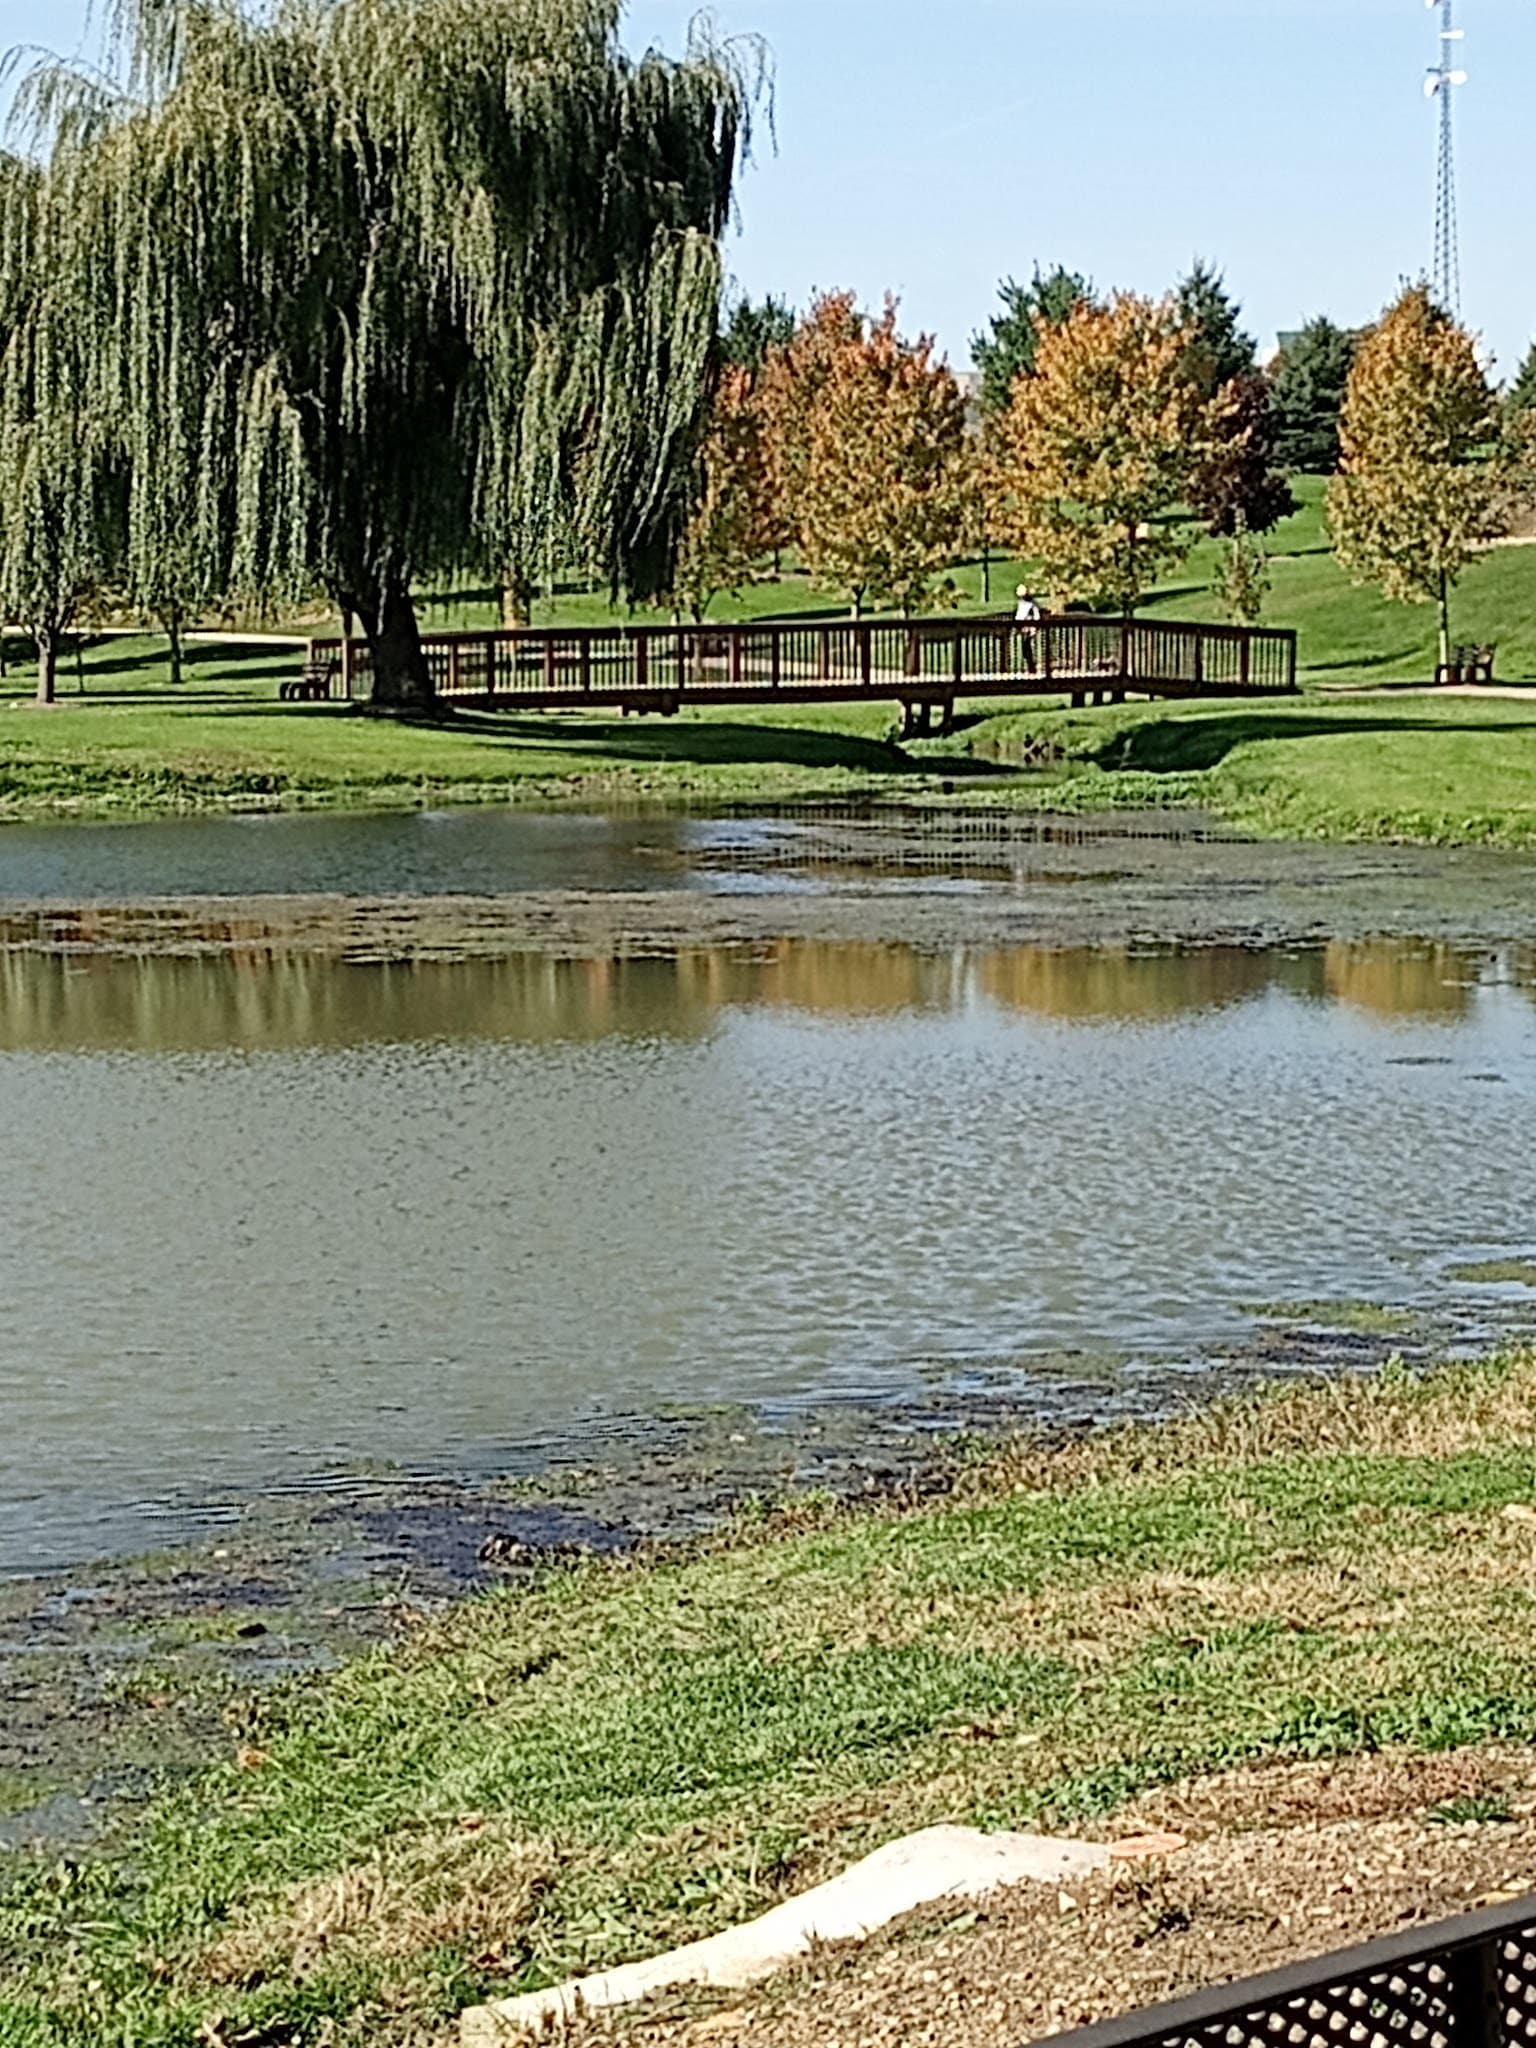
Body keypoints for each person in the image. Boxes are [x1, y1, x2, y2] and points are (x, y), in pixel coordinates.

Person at [1014, 585, 1041, 673]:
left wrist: (1034, 627)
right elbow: (1019, 614)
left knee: (1030, 646)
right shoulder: (1021, 603)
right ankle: (1028, 666)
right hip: (1022, 627)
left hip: (1030, 628)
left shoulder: (1033, 604)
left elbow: (1037, 616)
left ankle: (1032, 667)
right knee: (1025, 647)